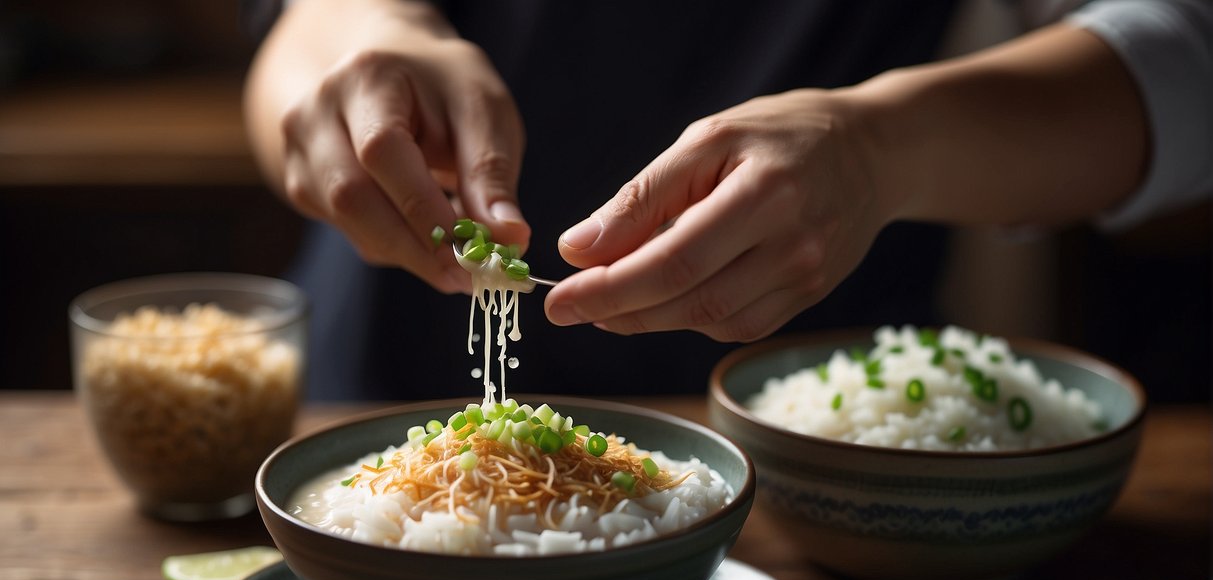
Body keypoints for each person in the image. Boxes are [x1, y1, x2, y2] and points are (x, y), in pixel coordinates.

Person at [242, 0, 1210, 401]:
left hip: (805, 415)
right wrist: (359, 26)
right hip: (365, 386)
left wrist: (879, 149)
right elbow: (296, 24)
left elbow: (1180, 53)